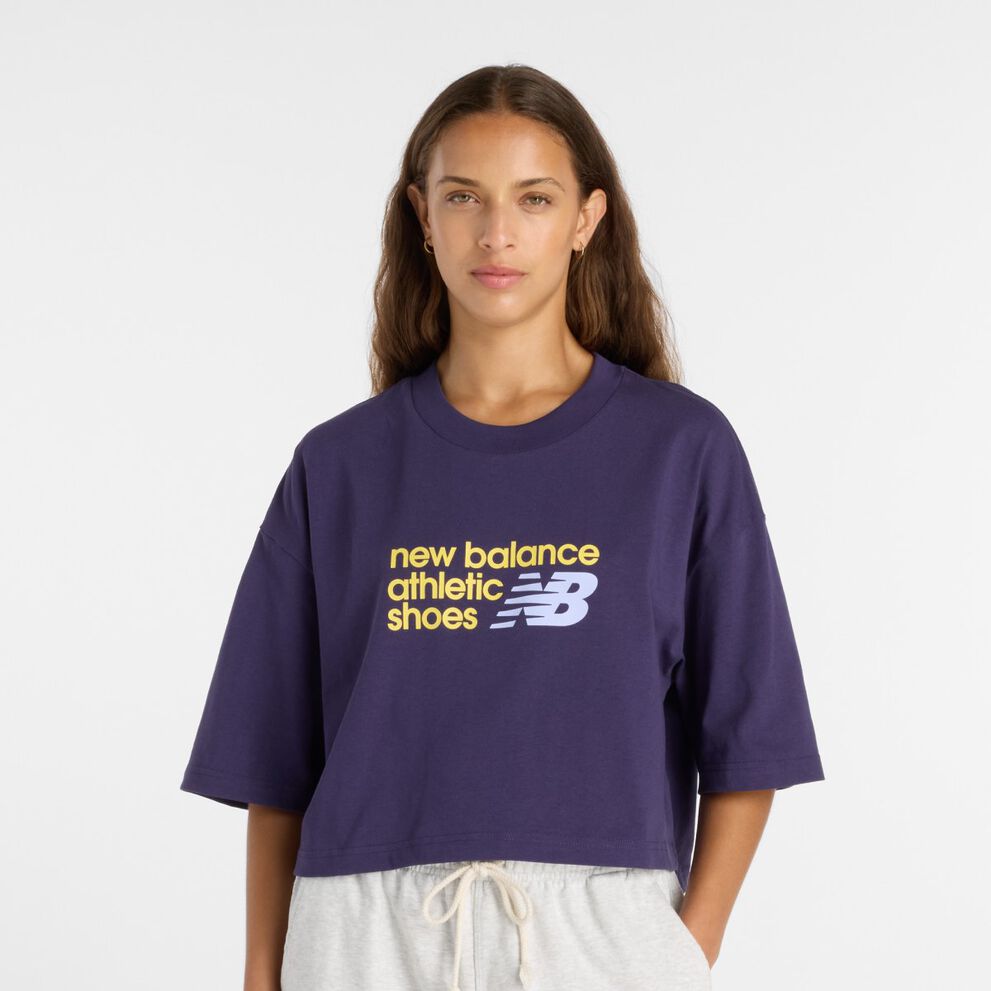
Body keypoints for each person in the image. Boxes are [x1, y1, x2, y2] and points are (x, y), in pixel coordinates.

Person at [179, 63, 825, 991]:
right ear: (421, 214)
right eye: (462, 196)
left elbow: (749, 739)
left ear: (586, 219)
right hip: (361, 931)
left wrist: (682, 949)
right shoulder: (339, 464)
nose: (496, 232)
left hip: (599, 931)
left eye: (533, 198)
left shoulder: (679, 449)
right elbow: (274, 766)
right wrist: (260, 972)